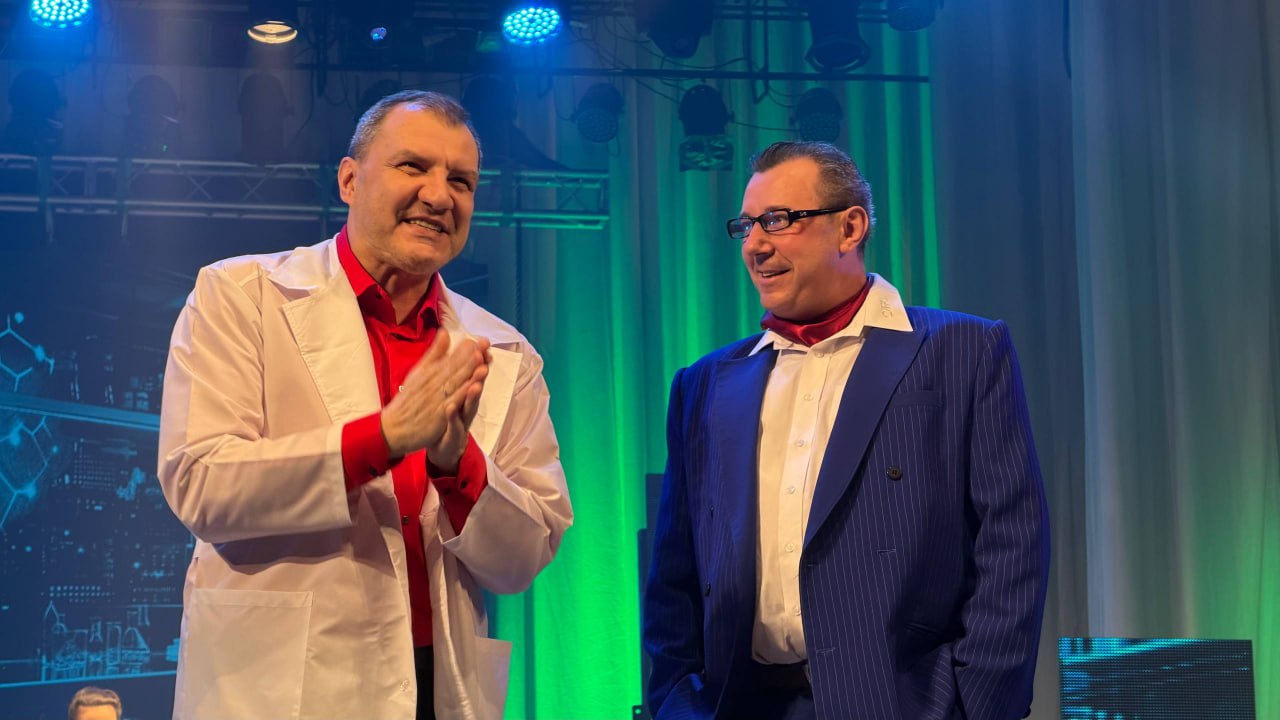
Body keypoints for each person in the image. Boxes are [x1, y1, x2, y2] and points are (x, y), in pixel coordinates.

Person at [158, 90, 572, 720]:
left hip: (437, 688)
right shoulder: (241, 296)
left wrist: (457, 463)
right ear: (349, 180)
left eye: (461, 181)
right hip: (282, 688)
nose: (439, 196)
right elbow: (202, 484)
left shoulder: (504, 350)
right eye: (413, 166)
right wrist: (382, 438)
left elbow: (524, 557)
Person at [643, 141, 1050, 720]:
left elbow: (1012, 546)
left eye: (777, 220)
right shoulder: (705, 384)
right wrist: (677, 704)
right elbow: (674, 576)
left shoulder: (961, 351)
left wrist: (976, 706)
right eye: (746, 225)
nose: (755, 245)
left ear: (849, 228)